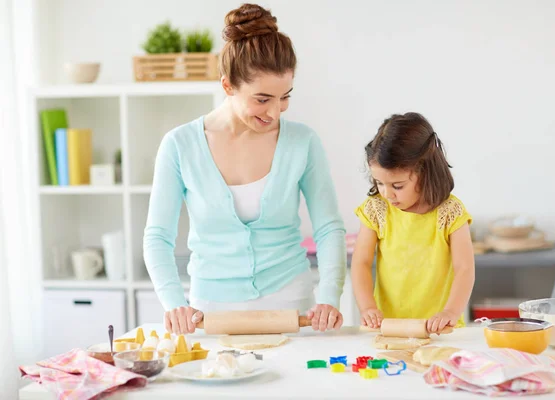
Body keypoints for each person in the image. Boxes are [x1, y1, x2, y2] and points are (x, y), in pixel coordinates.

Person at [143, 4, 347, 335]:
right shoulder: (179, 145)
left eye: (285, 97)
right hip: (211, 310)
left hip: (292, 305)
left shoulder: (303, 142)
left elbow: (328, 228)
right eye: (262, 99)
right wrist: (173, 302)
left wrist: (328, 296)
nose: (276, 112)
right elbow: (158, 236)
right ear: (227, 86)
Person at [350, 112, 475, 334]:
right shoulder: (376, 209)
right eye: (379, 183)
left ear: (424, 172)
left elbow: (464, 269)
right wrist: (368, 307)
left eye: (397, 186)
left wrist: (450, 313)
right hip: (389, 328)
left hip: (440, 330)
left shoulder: (450, 212)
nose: (387, 194)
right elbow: (360, 263)